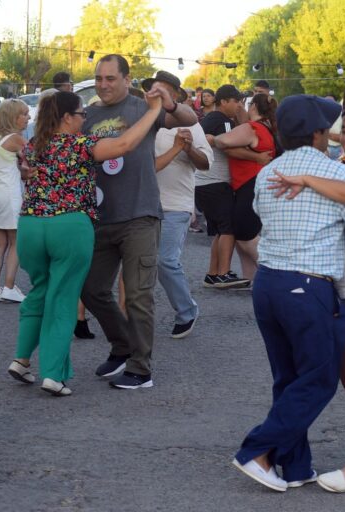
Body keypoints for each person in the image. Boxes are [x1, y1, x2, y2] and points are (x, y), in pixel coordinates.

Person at [230, 95, 345, 493]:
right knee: (320, 378)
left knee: (288, 377)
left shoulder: (268, 171)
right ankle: (257, 451)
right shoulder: (334, 175)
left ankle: (295, 466)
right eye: (331, 129)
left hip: (267, 283)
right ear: (318, 133)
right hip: (306, 285)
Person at [6, 89, 163, 396]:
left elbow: (28, 173)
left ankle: (21, 360)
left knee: (39, 293)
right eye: (81, 114)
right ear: (66, 117)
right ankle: (53, 374)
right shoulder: (80, 145)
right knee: (64, 297)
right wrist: (153, 110)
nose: (84, 119)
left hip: (31, 225)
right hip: (69, 225)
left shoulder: (34, 145)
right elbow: (126, 143)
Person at [80, 55, 198, 390]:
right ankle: (122, 346)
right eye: (99, 78)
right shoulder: (88, 114)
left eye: (110, 79)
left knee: (138, 295)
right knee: (91, 289)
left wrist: (170, 103)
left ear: (127, 78)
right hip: (100, 217)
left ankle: (141, 368)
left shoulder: (143, 106)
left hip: (139, 216)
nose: (103, 85)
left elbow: (189, 119)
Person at [146, 71, 213, 339]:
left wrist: (187, 149)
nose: (155, 95)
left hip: (176, 203)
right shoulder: (145, 121)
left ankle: (186, 310)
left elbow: (206, 163)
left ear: (175, 95)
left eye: (161, 91)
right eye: (152, 90)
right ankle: (134, 318)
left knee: (165, 260)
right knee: (139, 263)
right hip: (144, 203)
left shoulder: (192, 126)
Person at [214, 93, 278, 280]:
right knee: (243, 235)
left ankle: (274, 271)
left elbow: (222, 141)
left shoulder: (253, 128)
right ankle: (253, 279)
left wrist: (216, 138)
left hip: (250, 183)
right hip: (251, 182)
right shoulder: (265, 127)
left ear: (254, 108)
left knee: (245, 234)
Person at [196, 84, 250, 289]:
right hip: (216, 182)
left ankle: (212, 273)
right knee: (229, 228)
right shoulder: (223, 121)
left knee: (220, 230)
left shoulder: (209, 119)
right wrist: (256, 156)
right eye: (236, 101)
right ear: (225, 101)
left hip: (202, 182)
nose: (238, 105)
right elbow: (230, 148)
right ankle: (223, 274)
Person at [0, 98, 29, 303]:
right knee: (16, 242)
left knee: (0, 244)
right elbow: (33, 160)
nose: (28, 118)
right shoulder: (16, 139)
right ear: (13, 117)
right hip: (10, 194)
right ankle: (8, 286)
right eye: (24, 114)